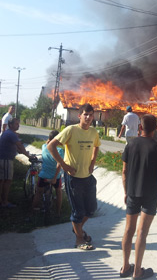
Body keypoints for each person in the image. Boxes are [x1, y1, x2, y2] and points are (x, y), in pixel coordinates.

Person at [47, 103, 101, 251]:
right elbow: (51, 146)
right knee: (78, 212)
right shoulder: (71, 130)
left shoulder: (93, 132)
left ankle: (77, 229)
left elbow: (96, 146)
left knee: (91, 209)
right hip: (74, 178)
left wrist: (92, 163)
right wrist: (64, 166)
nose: (89, 117)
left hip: (87, 176)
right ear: (79, 116)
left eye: (91, 115)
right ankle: (79, 239)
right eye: (86, 114)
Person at [121, 114, 157, 279]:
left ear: (140, 127)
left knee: (128, 230)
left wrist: (126, 192)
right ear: (155, 129)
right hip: (150, 195)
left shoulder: (130, 145)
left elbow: (124, 171)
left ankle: (125, 267)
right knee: (142, 232)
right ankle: (137, 271)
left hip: (133, 192)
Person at [0, 117, 34, 207]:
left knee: (1, 180)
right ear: (11, 125)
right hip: (6, 160)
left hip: (2, 159)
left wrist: (24, 153)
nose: (18, 125)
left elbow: (17, 148)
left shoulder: (8, 133)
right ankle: (4, 202)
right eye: (16, 124)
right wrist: (29, 156)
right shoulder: (12, 134)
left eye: (18, 123)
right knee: (7, 181)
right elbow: (20, 146)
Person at [32, 130, 65, 216]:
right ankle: (58, 212)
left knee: (38, 193)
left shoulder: (44, 147)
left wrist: (49, 140)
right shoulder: (60, 151)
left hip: (44, 176)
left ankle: (34, 210)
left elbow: (47, 143)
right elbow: (59, 164)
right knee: (58, 193)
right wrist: (54, 178)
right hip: (55, 177)